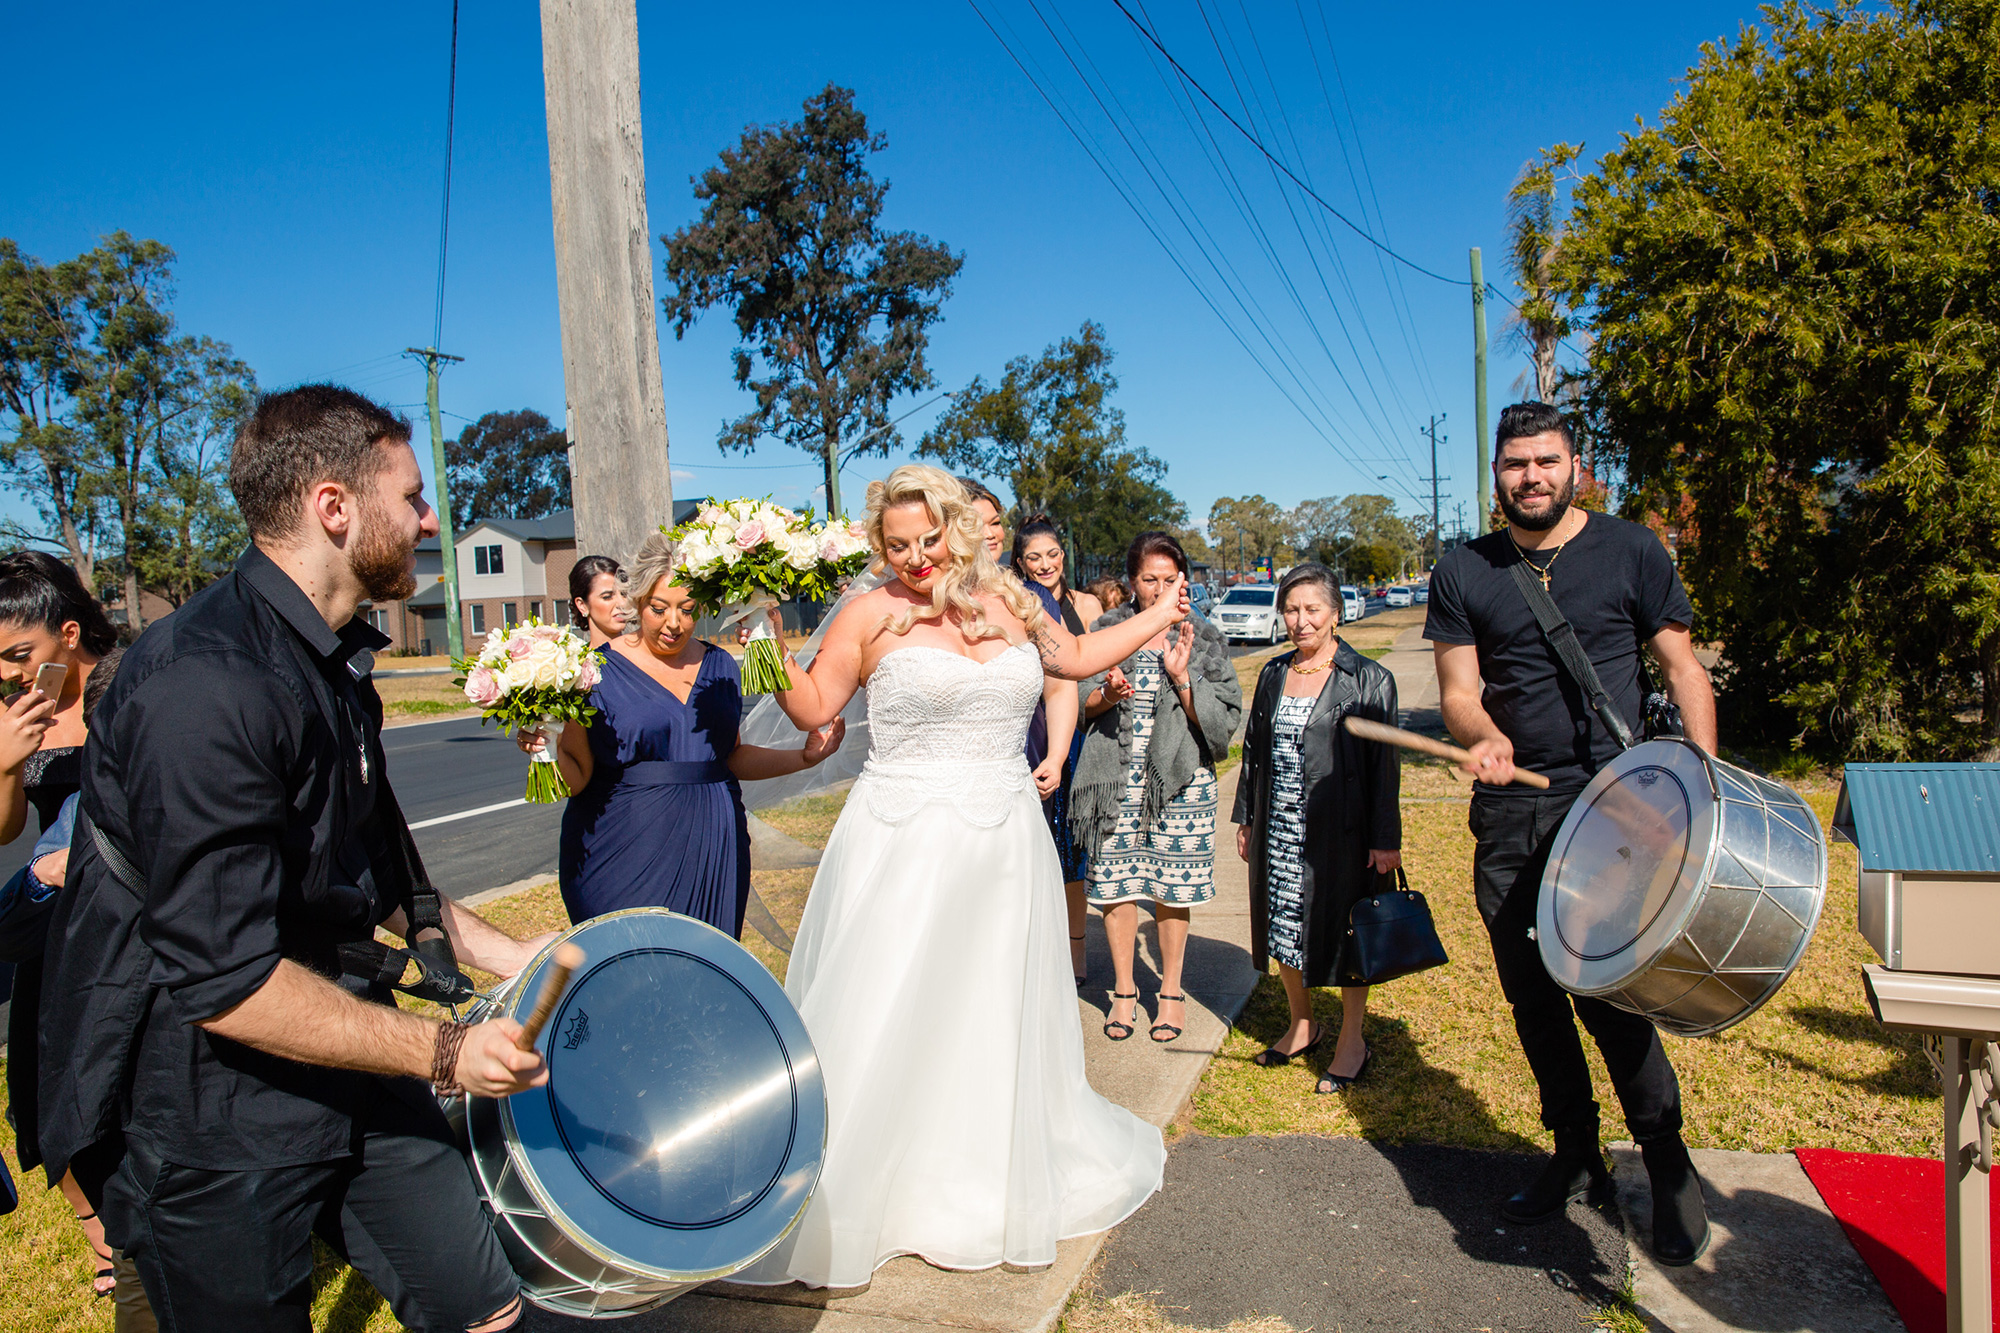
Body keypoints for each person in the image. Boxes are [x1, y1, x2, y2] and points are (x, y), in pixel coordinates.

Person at [38, 384, 565, 1332]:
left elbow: (384, 877)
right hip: (207, 1105)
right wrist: (446, 1051)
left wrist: (513, 957)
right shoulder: (203, 685)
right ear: (334, 507)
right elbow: (226, 981)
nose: (428, 519)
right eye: (410, 496)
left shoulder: (334, 664)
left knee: (481, 1305)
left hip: (345, 1042)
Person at [735, 464, 1190, 1288]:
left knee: (988, 1005)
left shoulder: (1014, 601)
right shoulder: (871, 613)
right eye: (897, 543)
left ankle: (978, 1173)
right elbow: (812, 710)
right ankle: (870, 1181)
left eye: (929, 538)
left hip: (1005, 837)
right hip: (902, 837)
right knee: (892, 1001)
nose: (914, 557)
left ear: (960, 527)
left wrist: (1157, 615)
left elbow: (1079, 656)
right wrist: (766, 646)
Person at [1425, 401, 1717, 1266]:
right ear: (1496, 476)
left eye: (1546, 461)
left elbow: (1683, 668)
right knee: (1533, 996)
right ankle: (1576, 1151)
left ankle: (1667, 1163)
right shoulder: (1463, 568)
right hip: (1513, 808)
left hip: (1615, 808)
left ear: (1575, 465)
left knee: (1610, 997)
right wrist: (1480, 734)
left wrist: (1702, 791)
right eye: (1516, 464)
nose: (1532, 477)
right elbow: (1455, 688)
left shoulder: (1630, 549)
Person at [526, 532, 843, 934]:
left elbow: (729, 758)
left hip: (714, 847)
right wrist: (545, 748)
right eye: (659, 609)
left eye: (688, 610)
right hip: (622, 851)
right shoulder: (592, 674)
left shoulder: (722, 666)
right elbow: (578, 778)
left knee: (707, 979)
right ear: (638, 601)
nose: (674, 624)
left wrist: (803, 757)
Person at [1231, 564, 1400, 1094]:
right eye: (1291, 609)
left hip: (1341, 828)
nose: (1300, 621)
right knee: (1282, 927)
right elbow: (1254, 752)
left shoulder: (1370, 678)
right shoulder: (1274, 674)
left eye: (1312, 610)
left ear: (1335, 613)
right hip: (1278, 822)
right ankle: (1302, 1024)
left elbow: (1383, 767)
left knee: (1345, 933)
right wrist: (1246, 817)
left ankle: (1353, 1039)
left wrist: (1384, 838)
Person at [1071, 532, 1241, 1045]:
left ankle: (1170, 992)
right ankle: (1123, 991)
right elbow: (1078, 702)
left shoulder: (1203, 636)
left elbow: (1225, 718)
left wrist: (1185, 678)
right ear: (1132, 582)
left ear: (1183, 581)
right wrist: (1106, 692)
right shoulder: (1107, 629)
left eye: (1170, 580)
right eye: (1150, 580)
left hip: (1179, 783)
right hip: (1114, 779)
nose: (1159, 588)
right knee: (1115, 885)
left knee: (1171, 887)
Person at [0, 553, 117, 1295]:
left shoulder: (125, 685)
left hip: (120, 908)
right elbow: (7, 824)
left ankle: (135, 1240)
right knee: (37, 1092)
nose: (10, 671)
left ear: (68, 633)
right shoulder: (9, 709)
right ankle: (103, 1238)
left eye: (20, 653)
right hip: (52, 917)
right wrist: (8, 763)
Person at [1011, 517, 1102, 981]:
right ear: (1020, 562)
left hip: (1084, 731)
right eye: (1033, 557)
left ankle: (1078, 952)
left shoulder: (1087, 604)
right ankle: (1047, 953)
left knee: (1075, 854)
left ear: (1063, 555)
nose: (1045, 565)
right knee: (1046, 849)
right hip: (1037, 732)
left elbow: (1098, 663)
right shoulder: (1020, 603)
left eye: (1052, 554)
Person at [568, 553, 629, 645]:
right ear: (582, 605)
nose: (622, 603)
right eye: (607, 597)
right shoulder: (576, 658)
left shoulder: (646, 656)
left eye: (624, 594)